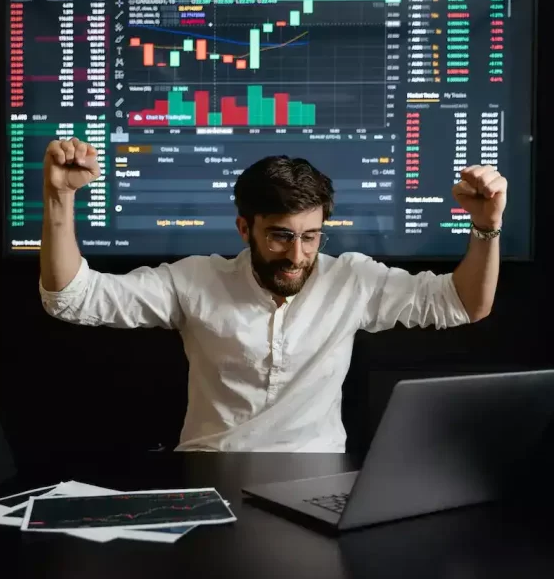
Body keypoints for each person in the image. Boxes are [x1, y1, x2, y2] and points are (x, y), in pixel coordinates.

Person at [40, 137, 507, 453]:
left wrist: (486, 226)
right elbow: (72, 297)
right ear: (245, 228)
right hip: (208, 473)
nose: (297, 255)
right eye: (280, 236)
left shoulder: (352, 280)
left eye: (311, 237)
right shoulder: (195, 280)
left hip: (318, 478)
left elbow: (464, 304)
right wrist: (59, 197)